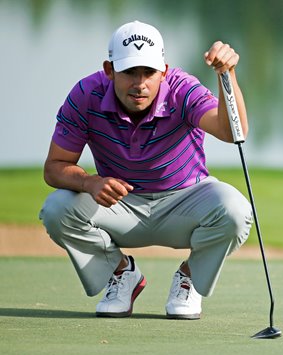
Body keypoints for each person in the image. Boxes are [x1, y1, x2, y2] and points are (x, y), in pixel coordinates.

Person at [39, 20, 253, 320]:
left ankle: (189, 276)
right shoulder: (86, 95)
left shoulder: (182, 89)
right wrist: (90, 182)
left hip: (185, 201)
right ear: (109, 69)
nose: (139, 83)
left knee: (235, 211)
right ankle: (122, 273)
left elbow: (233, 132)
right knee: (56, 209)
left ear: (163, 71)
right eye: (129, 72)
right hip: (119, 205)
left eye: (149, 72)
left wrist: (226, 74)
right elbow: (54, 168)